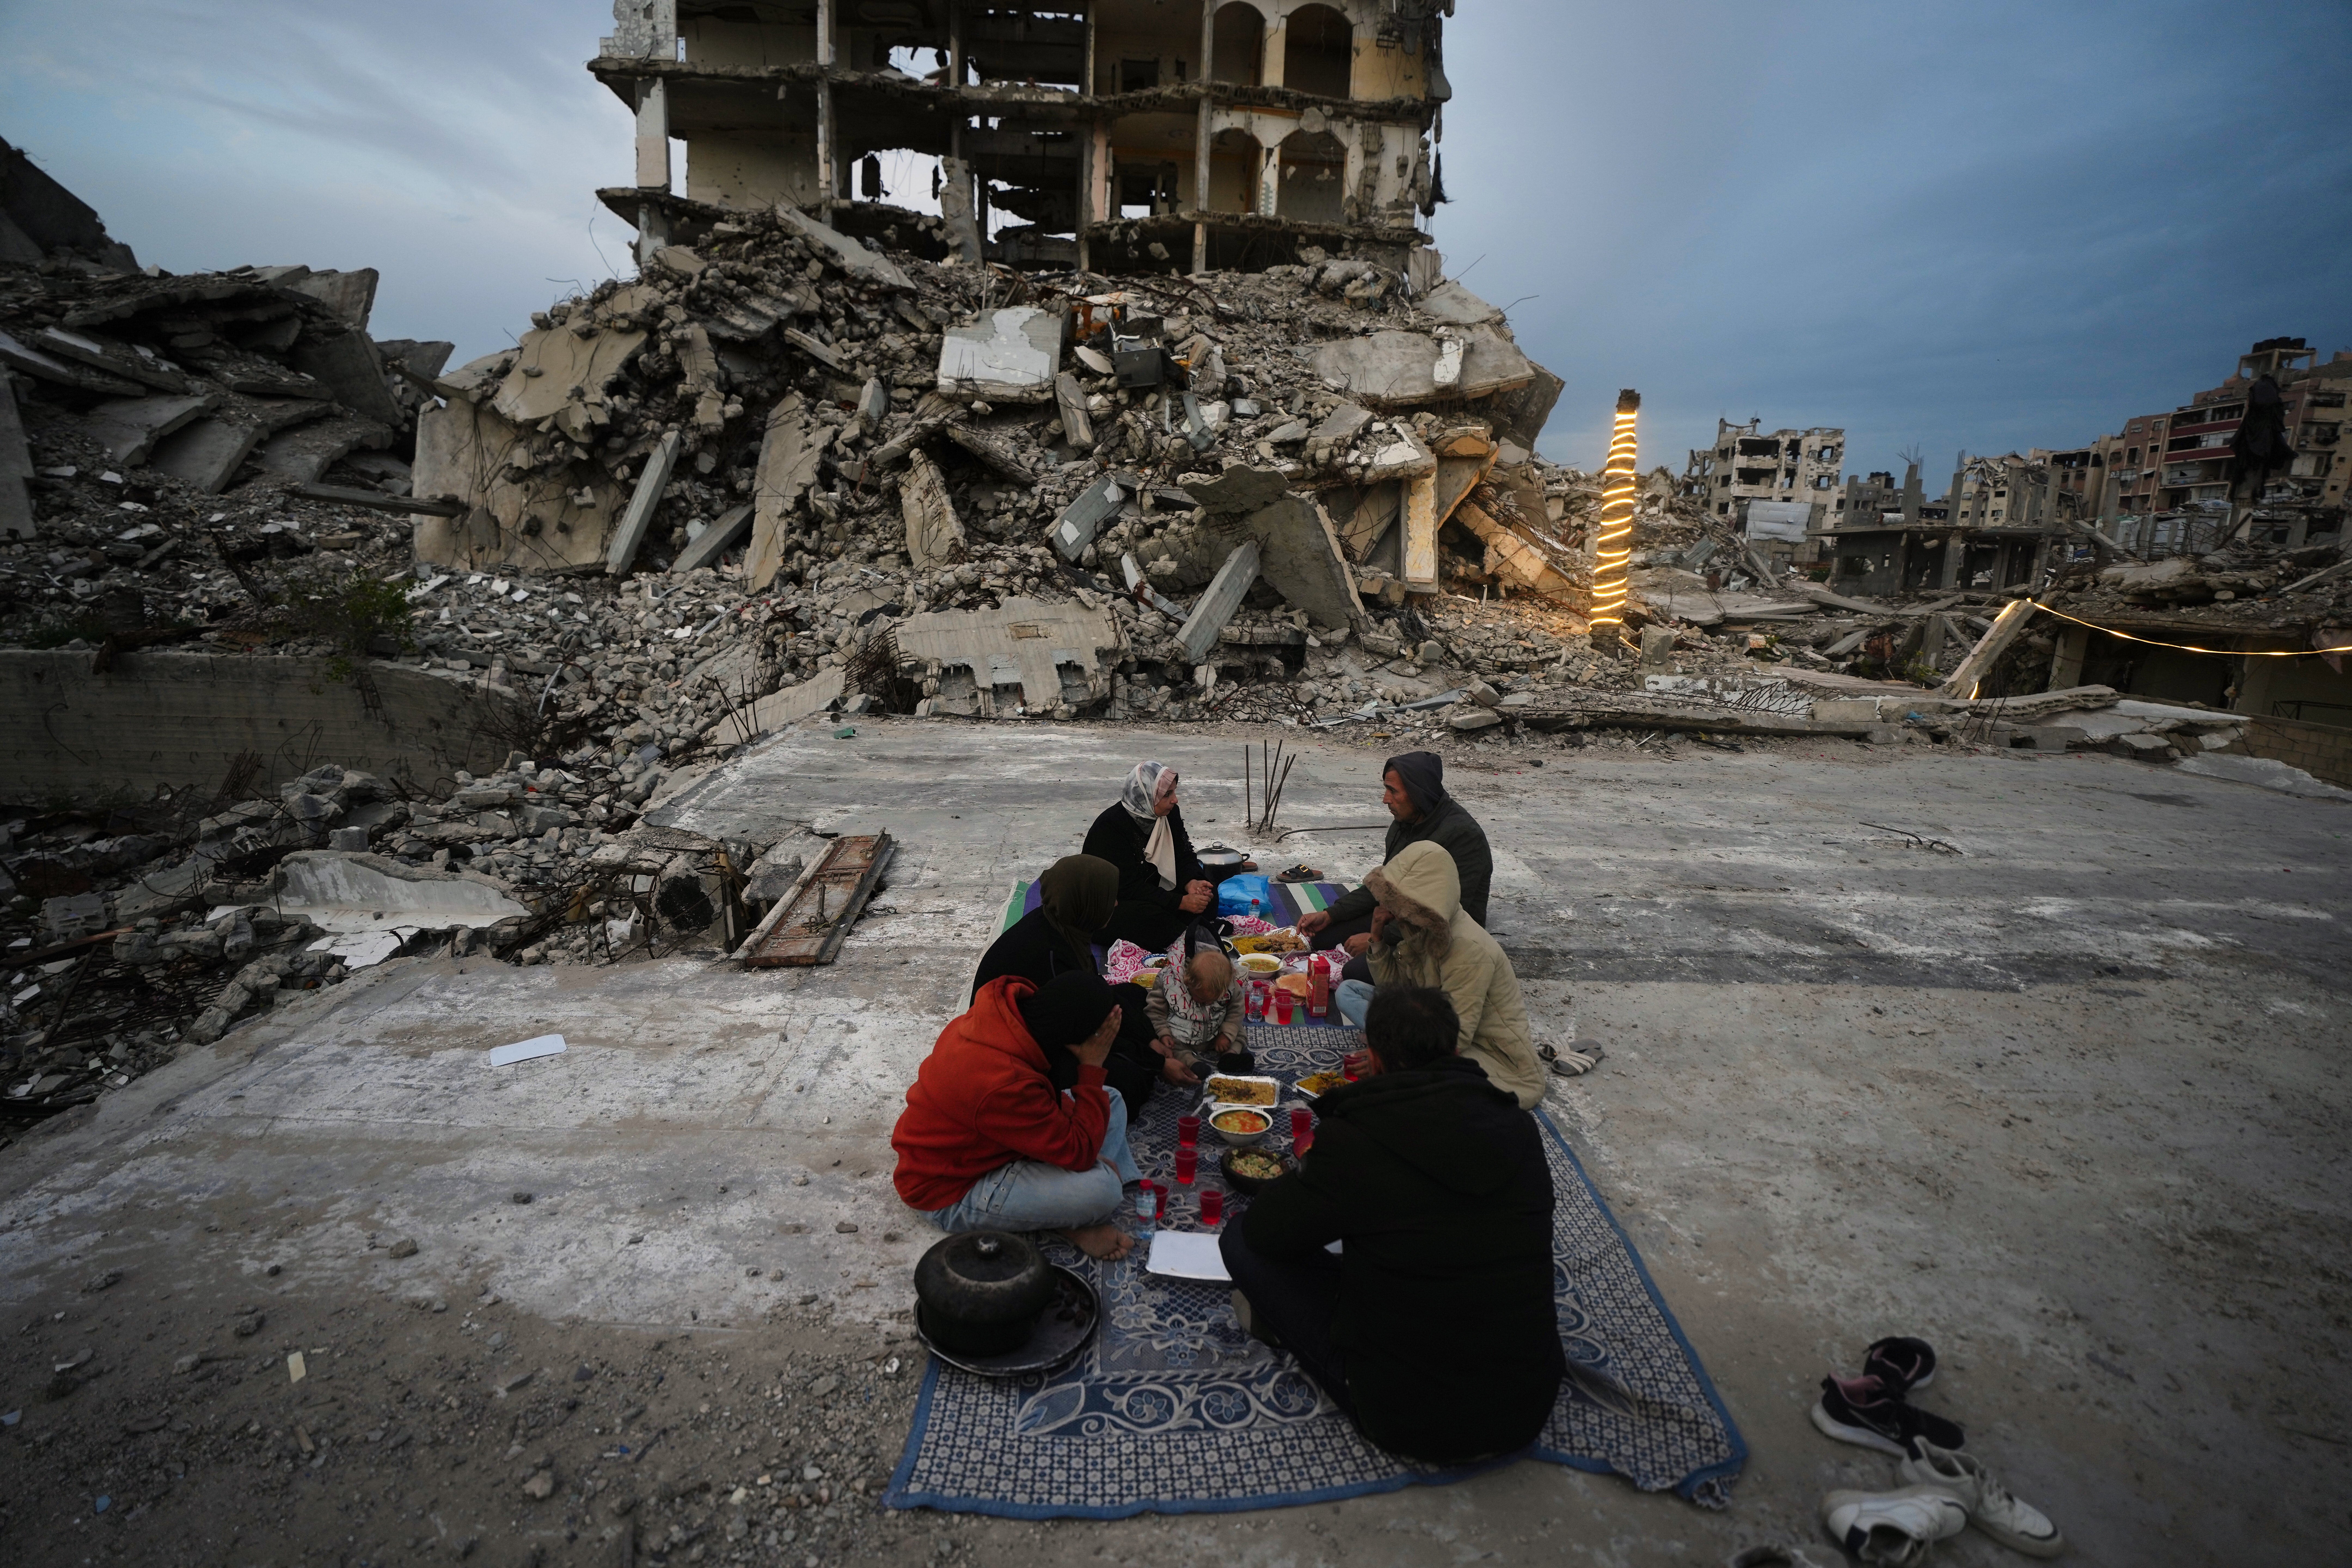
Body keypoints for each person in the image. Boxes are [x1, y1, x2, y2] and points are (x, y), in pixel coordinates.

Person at [1218, 985, 1563, 1465]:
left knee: (1239, 1237)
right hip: (1526, 1404)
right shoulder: (1518, 1126)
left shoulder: (1359, 1136)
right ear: (1456, 1049)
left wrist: (1317, 1174)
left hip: (1407, 1417)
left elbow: (1267, 1233)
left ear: (1374, 1059)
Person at [892, 971, 1142, 1261]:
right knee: (1105, 1191)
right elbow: (1079, 1152)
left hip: (990, 1148)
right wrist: (1093, 1064)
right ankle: (1072, 1217)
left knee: (1111, 1099)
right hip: (949, 1191)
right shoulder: (1005, 1080)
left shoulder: (1003, 1021)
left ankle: (1068, 1201)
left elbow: (1046, 1103)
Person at [1332, 840, 1544, 1109]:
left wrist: (1394, 1054)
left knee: (1420, 1096)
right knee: (1349, 990)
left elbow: (1457, 1036)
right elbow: (1393, 993)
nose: (1393, 910)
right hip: (1427, 1024)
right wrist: (1377, 936)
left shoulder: (1469, 950)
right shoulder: (1417, 929)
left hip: (1485, 1052)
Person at [971, 854, 1183, 1114]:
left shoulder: (1064, 922)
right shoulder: (1048, 955)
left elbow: (1098, 995)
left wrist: (1149, 1040)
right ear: (1086, 902)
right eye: (1108, 898)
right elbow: (1084, 1026)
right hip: (1015, 1054)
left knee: (1133, 994)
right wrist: (1156, 1063)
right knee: (1128, 1082)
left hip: (1055, 1021)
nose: (1116, 904)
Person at [1298, 752, 1493, 960]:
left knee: (1356, 971)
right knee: (1322, 938)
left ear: (1418, 793)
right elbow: (1385, 885)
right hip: (1402, 914)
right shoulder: (1406, 822)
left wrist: (1378, 939)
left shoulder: (1464, 837)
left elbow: (1446, 916)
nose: (1385, 800)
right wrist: (1330, 915)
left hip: (1442, 933)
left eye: (1393, 791)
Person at [1083, 761, 1216, 951]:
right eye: (1167, 795)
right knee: (1150, 918)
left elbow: (1184, 854)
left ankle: (1180, 930)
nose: (1175, 800)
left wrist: (1191, 882)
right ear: (1145, 797)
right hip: (1112, 903)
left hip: (1155, 889)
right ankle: (1184, 936)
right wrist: (1180, 903)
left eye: (1174, 792)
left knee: (1209, 895)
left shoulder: (1168, 814)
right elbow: (1128, 888)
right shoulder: (1111, 827)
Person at [1144, 947, 1244, 1080]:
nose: (1206, 1004)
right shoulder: (1171, 984)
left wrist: (1227, 1035)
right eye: (1202, 999)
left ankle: (1231, 1055)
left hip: (1216, 1032)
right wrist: (1163, 1033)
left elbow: (1236, 1011)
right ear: (1188, 981)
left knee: (1239, 1031)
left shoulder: (1230, 985)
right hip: (1182, 1034)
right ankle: (1191, 1063)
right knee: (1167, 1046)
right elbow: (1155, 1012)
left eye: (1213, 1000)